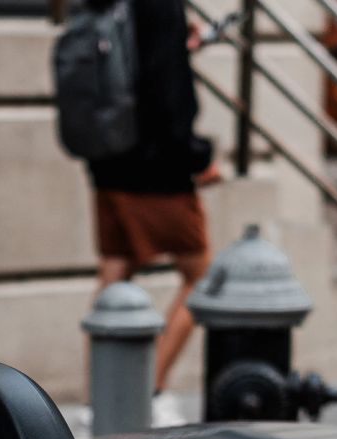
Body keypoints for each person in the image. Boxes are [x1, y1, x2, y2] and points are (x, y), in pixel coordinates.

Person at [87, 0, 222, 391]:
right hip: (157, 165)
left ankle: (101, 398)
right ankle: (145, 390)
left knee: (115, 269)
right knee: (201, 277)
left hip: (107, 156)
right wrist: (197, 159)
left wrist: (178, 42)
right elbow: (166, 91)